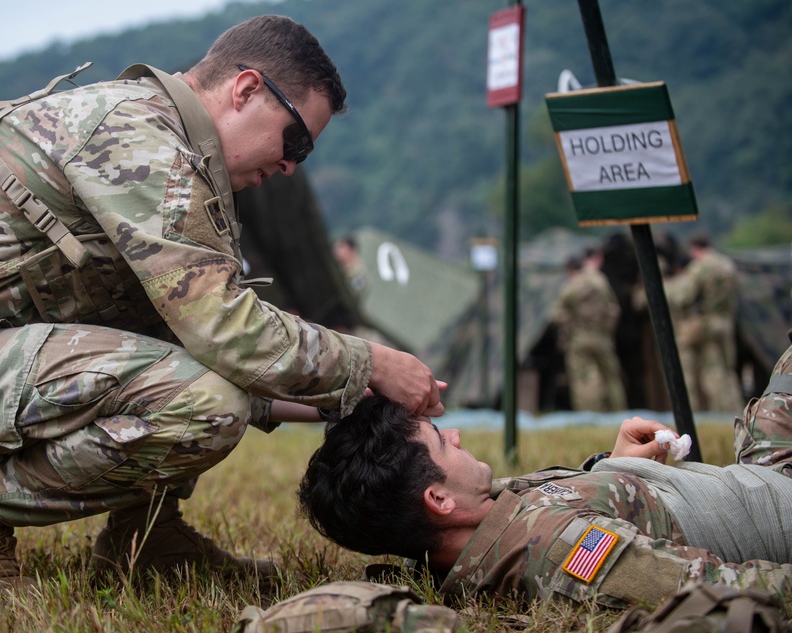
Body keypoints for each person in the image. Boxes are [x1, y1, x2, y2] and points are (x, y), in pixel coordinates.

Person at [0, 15, 445, 591]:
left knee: (193, 375)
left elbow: (196, 336)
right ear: (246, 89)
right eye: (296, 142)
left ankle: (147, 540)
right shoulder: (138, 139)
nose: (290, 165)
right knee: (205, 403)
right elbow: (227, 333)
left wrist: (344, 395)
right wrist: (372, 363)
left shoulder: (174, 151)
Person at [298, 372, 792, 608]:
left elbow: (550, 504)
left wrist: (610, 465)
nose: (455, 436)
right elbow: (725, 592)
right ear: (439, 500)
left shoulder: (460, 530)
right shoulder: (561, 555)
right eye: (439, 442)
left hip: (747, 478)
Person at [671, 233, 744, 412]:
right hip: (725, 322)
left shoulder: (699, 268)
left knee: (710, 369)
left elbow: (683, 296)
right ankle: (734, 408)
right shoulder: (728, 265)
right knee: (728, 369)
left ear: (694, 249)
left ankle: (710, 410)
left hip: (705, 324)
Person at [550, 247, 627, 411]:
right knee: (611, 376)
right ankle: (619, 411)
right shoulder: (600, 281)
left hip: (579, 337)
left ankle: (589, 414)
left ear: (570, 270)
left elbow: (557, 315)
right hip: (602, 336)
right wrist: (606, 330)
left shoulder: (572, 285)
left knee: (583, 377)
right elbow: (613, 309)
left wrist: (570, 325)